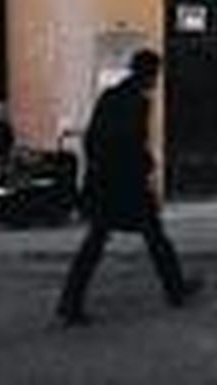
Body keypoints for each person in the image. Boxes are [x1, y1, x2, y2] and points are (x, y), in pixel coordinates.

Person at [56, 49, 202, 326]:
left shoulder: (110, 96)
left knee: (96, 241)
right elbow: (132, 143)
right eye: (156, 74)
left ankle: (70, 301)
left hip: (104, 182)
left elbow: (93, 139)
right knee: (155, 237)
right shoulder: (138, 102)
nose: (156, 79)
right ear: (151, 74)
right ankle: (176, 290)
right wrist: (146, 167)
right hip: (126, 186)